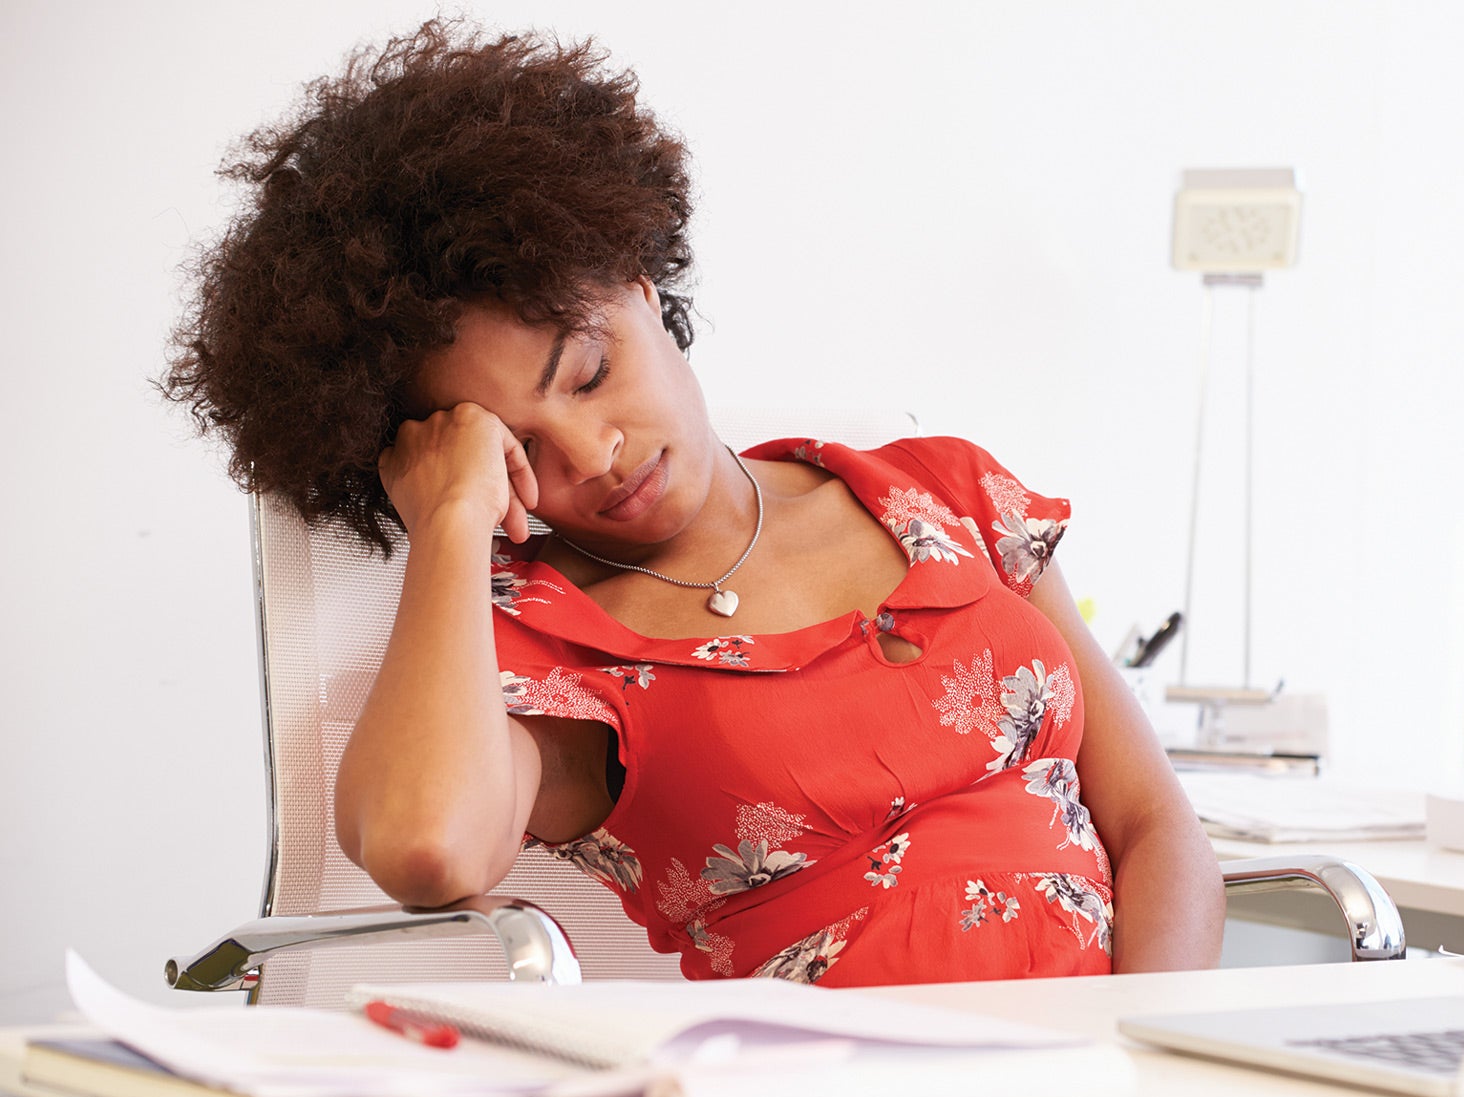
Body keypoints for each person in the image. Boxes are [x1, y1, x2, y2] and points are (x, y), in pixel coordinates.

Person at [162, 20, 1222, 986]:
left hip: (1102, 1074)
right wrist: (445, 524)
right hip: (828, 1089)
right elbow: (426, 846)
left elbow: (1156, 827)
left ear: (640, 284)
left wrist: (1141, 1059)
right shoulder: (551, 651)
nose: (594, 453)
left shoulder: (948, 493)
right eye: (521, 450)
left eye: (589, 373)